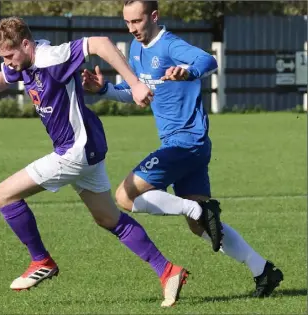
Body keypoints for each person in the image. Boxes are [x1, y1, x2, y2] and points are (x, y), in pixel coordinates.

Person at [0, 16, 190, 307]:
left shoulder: (52, 57)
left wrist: (135, 84)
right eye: (3, 57)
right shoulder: (21, 63)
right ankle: (168, 271)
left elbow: (100, 43)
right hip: (87, 150)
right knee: (109, 218)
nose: (8, 62)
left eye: (10, 55)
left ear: (26, 44)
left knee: (4, 195)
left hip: (75, 151)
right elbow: (5, 76)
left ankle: (41, 261)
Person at [81, 0, 283, 298]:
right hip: (188, 146)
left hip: (185, 143)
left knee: (124, 196)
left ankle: (199, 208)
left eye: (137, 21)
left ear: (154, 16)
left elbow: (207, 61)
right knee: (199, 226)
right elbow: (139, 93)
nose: (132, 28)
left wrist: (187, 71)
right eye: (127, 22)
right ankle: (263, 270)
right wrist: (104, 90)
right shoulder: (136, 50)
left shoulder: (170, 45)